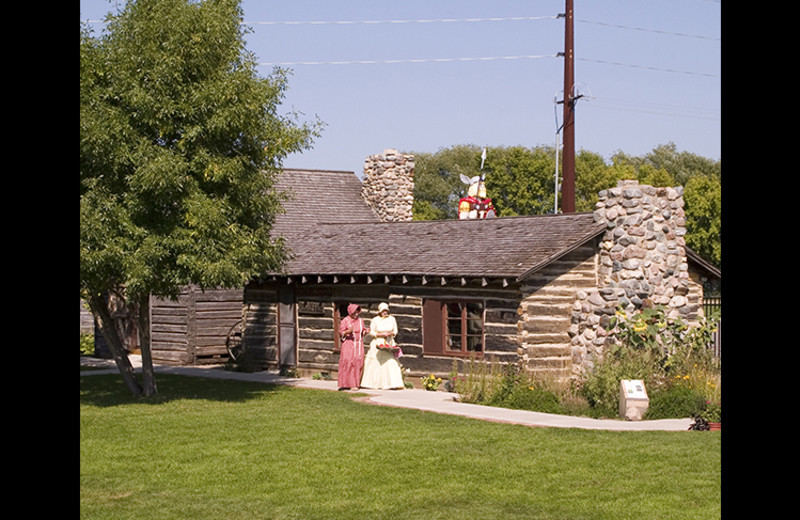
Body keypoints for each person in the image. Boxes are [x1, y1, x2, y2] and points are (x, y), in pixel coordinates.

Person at [360, 302, 405, 390]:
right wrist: (380, 334)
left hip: (389, 341)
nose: (385, 312)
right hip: (378, 342)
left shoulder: (392, 319)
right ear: (379, 311)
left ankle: (391, 383)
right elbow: (372, 332)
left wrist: (391, 333)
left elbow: (395, 330)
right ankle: (373, 383)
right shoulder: (375, 320)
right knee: (375, 362)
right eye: (383, 311)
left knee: (390, 362)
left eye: (386, 311)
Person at [338, 303, 368, 390]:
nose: (356, 314)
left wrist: (365, 332)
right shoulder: (345, 321)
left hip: (358, 345)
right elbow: (341, 333)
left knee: (358, 362)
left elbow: (362, 331)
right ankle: (348, 384)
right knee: (349, 362)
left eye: (357, 312)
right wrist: (347, 332)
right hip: (348, 344)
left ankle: (356, 383)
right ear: (350, 312)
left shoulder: (360, 320)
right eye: (355, 312)